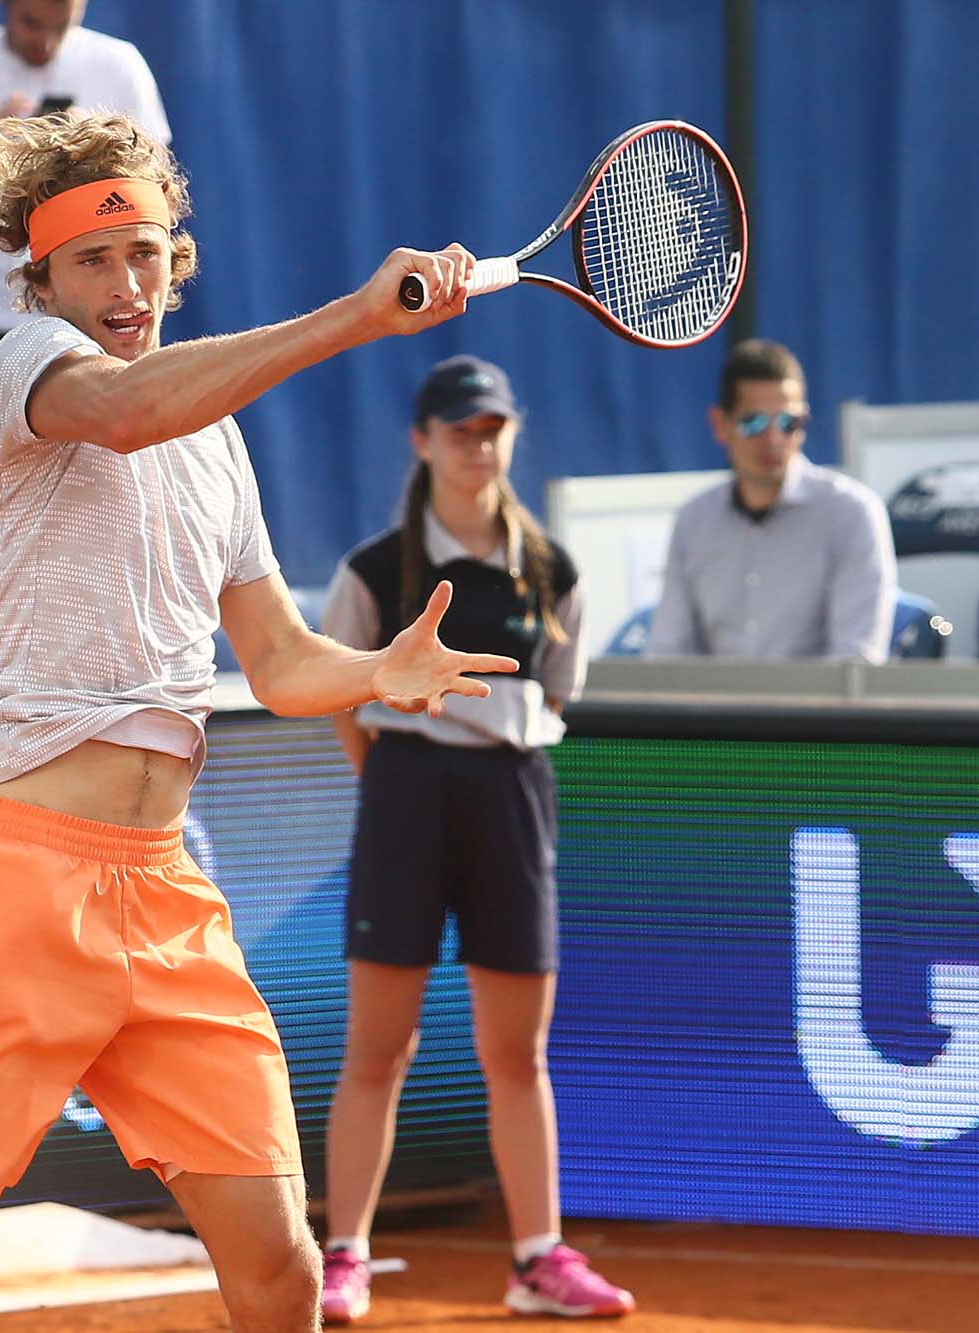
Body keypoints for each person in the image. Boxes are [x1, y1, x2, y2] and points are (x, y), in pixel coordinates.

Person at [0, 110, 511, 1333]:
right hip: (14, 888)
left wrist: (377, 669)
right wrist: (357, 318)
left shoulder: (216, 442)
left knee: (280, 1269)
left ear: (177, 260)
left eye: (146, 254)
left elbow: (278, 661)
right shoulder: (22, 369)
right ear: (42, 277)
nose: (124, 284)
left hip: (162, 897)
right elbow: (123, 412)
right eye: (93, 261)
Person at [316, 357, 631, 1324]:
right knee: (378, 1048)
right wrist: (397, 779)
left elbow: (558, 696)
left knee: (517, 1052)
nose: (477, 445)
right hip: (406, 794)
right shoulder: (373, 572)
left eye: (492, 428)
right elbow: (339, 696)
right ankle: (344, 1254)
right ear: (422, 441)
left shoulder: (554, 571)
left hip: (511, 795)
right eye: (459, 429)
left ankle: (538, 1257)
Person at [0, 0, 172, 521]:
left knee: (110, 479)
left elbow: (158, 201)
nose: (45, 43)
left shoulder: (120, 65)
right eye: (30, 24)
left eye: (60, 26)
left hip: (95, 315)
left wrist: (91, 159)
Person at [647, 340, 895, 660]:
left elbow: (856, 659)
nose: (774, 439)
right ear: (720, 425)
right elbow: (667, 653)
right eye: (754, 423)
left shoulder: (852, 513)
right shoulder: (693, 520)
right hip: (717, 696)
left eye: (788, 423)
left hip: (815, 696)